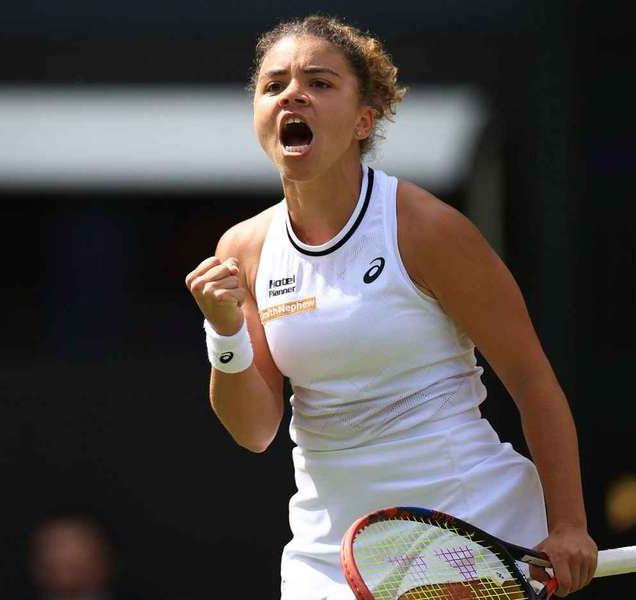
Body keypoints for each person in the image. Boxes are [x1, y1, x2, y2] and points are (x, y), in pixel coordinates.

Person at [185, 15, 597, 599]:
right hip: (329, 557)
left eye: (320, 83)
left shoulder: (426, 229)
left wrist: (569, 525)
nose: (293, 94)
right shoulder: (244, 250)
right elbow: (254, 430)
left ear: (363, 120)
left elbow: (532, 380)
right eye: (274, 85)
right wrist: (226, 335)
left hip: (467, 532)